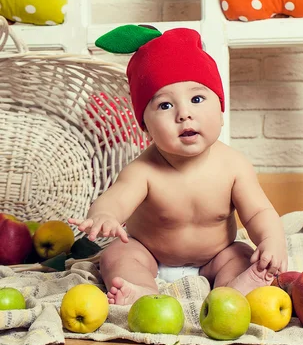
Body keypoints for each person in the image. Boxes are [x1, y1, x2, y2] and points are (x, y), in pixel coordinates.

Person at [69, 26, 288, 306]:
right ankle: (142, 292)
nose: (184, 114)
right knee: (116, 256)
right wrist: (104, 216)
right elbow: (116, 200)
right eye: (164, 106)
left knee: (242, 255)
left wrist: (272, 241)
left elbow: (258, 212)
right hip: (150, 256)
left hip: (215, 257)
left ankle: (232, 293)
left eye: (197, 99)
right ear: (145, 127)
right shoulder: (144, 171)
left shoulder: (234, 166)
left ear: (220, 112)